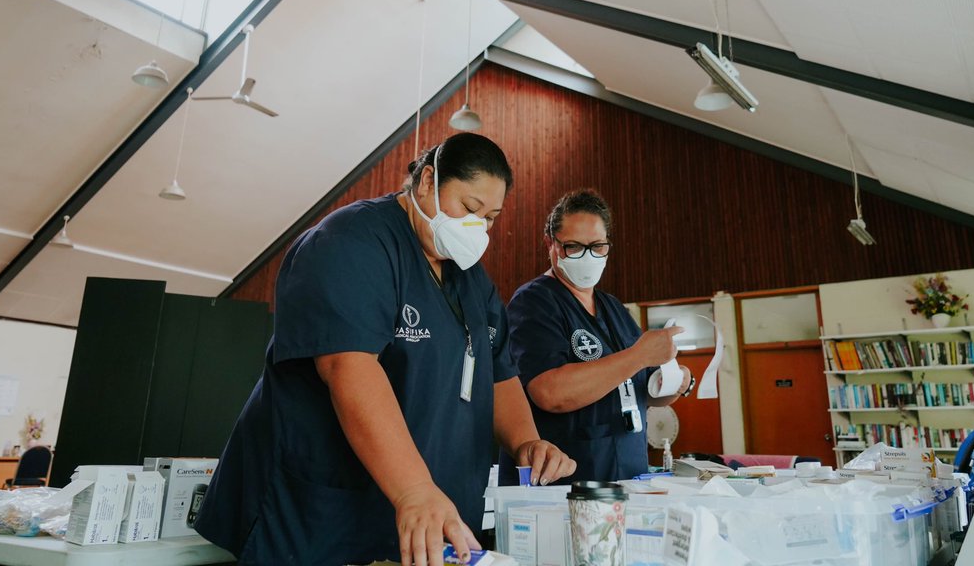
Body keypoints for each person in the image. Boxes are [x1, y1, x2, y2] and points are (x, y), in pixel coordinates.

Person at [195, 133, 575, 566]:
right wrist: (414, 489)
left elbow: (496, 370)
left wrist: (527, 441)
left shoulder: (469, 279)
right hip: (325, 511)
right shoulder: (350, 243)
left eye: (490, 217)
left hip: (429, 518)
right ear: (428, 181)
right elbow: (348, 367)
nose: (478, 228)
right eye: (469, 208)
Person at [498, 189, 691, 486]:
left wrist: (677, 381)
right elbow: (549, 392)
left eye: (598, 246)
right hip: (569, 481)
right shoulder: (534, 303)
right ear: (550, 243)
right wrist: (638, 355)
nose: (587, 256)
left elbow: (645, 390)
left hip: (627, 475)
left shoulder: (613, 308)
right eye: (573, 247)